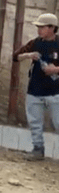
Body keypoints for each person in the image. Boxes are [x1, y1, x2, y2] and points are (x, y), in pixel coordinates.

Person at [13, 13, 59, 161]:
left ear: (52, 28)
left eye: (42, 27)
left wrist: (55, 70)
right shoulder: (35, 43)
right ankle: (38, 149)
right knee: (35, 122)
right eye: (38, 27)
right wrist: (28, 55)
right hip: (35, 90)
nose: (39, 30)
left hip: (55, 91)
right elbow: (15, 56)